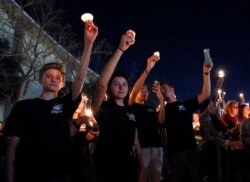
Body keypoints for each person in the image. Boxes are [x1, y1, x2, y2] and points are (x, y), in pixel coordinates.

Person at [5, 20, 98, 182]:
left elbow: (80, 78)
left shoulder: (65, 105)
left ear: (62, 84)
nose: (53, 79)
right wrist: (9, 176)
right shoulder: (23, 107)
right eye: (48, 76)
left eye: (58, 78)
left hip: (58, 175)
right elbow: (12, 145)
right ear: (40, 80)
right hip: (26, 173)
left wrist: (88, 43)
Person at [91, 30, 140, 182]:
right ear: (109, 88)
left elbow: (135, 138)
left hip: (129, 165)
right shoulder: (103, 108)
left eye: (124, 84)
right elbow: (100, 85)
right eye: (116, 84)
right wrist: (120, 50)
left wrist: (142, 165)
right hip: (107, 165)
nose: (121, 87)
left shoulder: (131, 111)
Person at [160, 58, 213, 182]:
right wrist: (161, 102)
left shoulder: (185, 105)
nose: (162, 90)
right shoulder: (162, 111)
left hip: (191, 149)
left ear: (173, 89)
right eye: (160, 90)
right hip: (175, 152)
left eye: (164, 88)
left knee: (195, 177)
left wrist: (206, 73)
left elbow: (206, 93)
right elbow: (161, 123)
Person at [128, 53, 165, 182]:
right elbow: (132, 94)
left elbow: (161, 121)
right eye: (142, 89)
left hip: (157, 146)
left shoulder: (150, 108)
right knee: (142, 176)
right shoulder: (132, 106)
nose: (146, 91)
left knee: (156, 177)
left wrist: (161, 99)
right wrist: (147, 69)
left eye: (147, 90)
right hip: (142, 147)